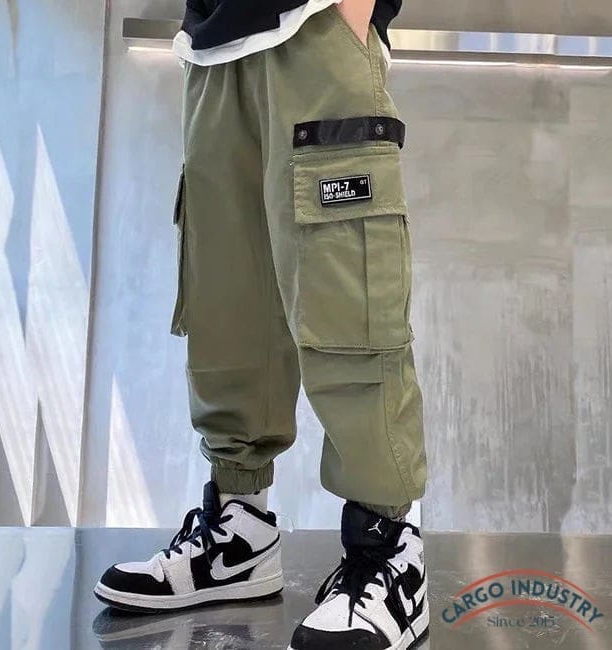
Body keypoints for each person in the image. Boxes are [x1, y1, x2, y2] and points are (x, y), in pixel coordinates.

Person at [94, 1, 429, 647]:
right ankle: (238, 534)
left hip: (316, 24)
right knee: (228, 307)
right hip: (213, 44)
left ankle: (388, 549)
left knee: (347, 302)